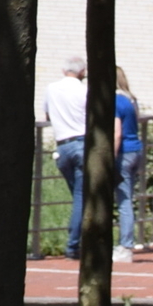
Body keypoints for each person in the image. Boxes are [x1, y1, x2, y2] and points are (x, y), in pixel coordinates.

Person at [39, 53, 88, 257]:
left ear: (63, 70)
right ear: (82, 72)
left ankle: (76, 239)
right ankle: (74, 244)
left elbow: (48, 115)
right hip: (82, 142)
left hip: (62, 146)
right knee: (81, 196)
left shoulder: (52, 89)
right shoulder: (85, 90)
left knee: (77, 195)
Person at [113, 66, 143, 262]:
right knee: (128, 199)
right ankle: (126, 244)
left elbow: (117, 133)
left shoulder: (115, 101)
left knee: (123, 202)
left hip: (123, 152)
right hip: (136, 150)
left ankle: (125, 247)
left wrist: (111, 158)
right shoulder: (131, 100)